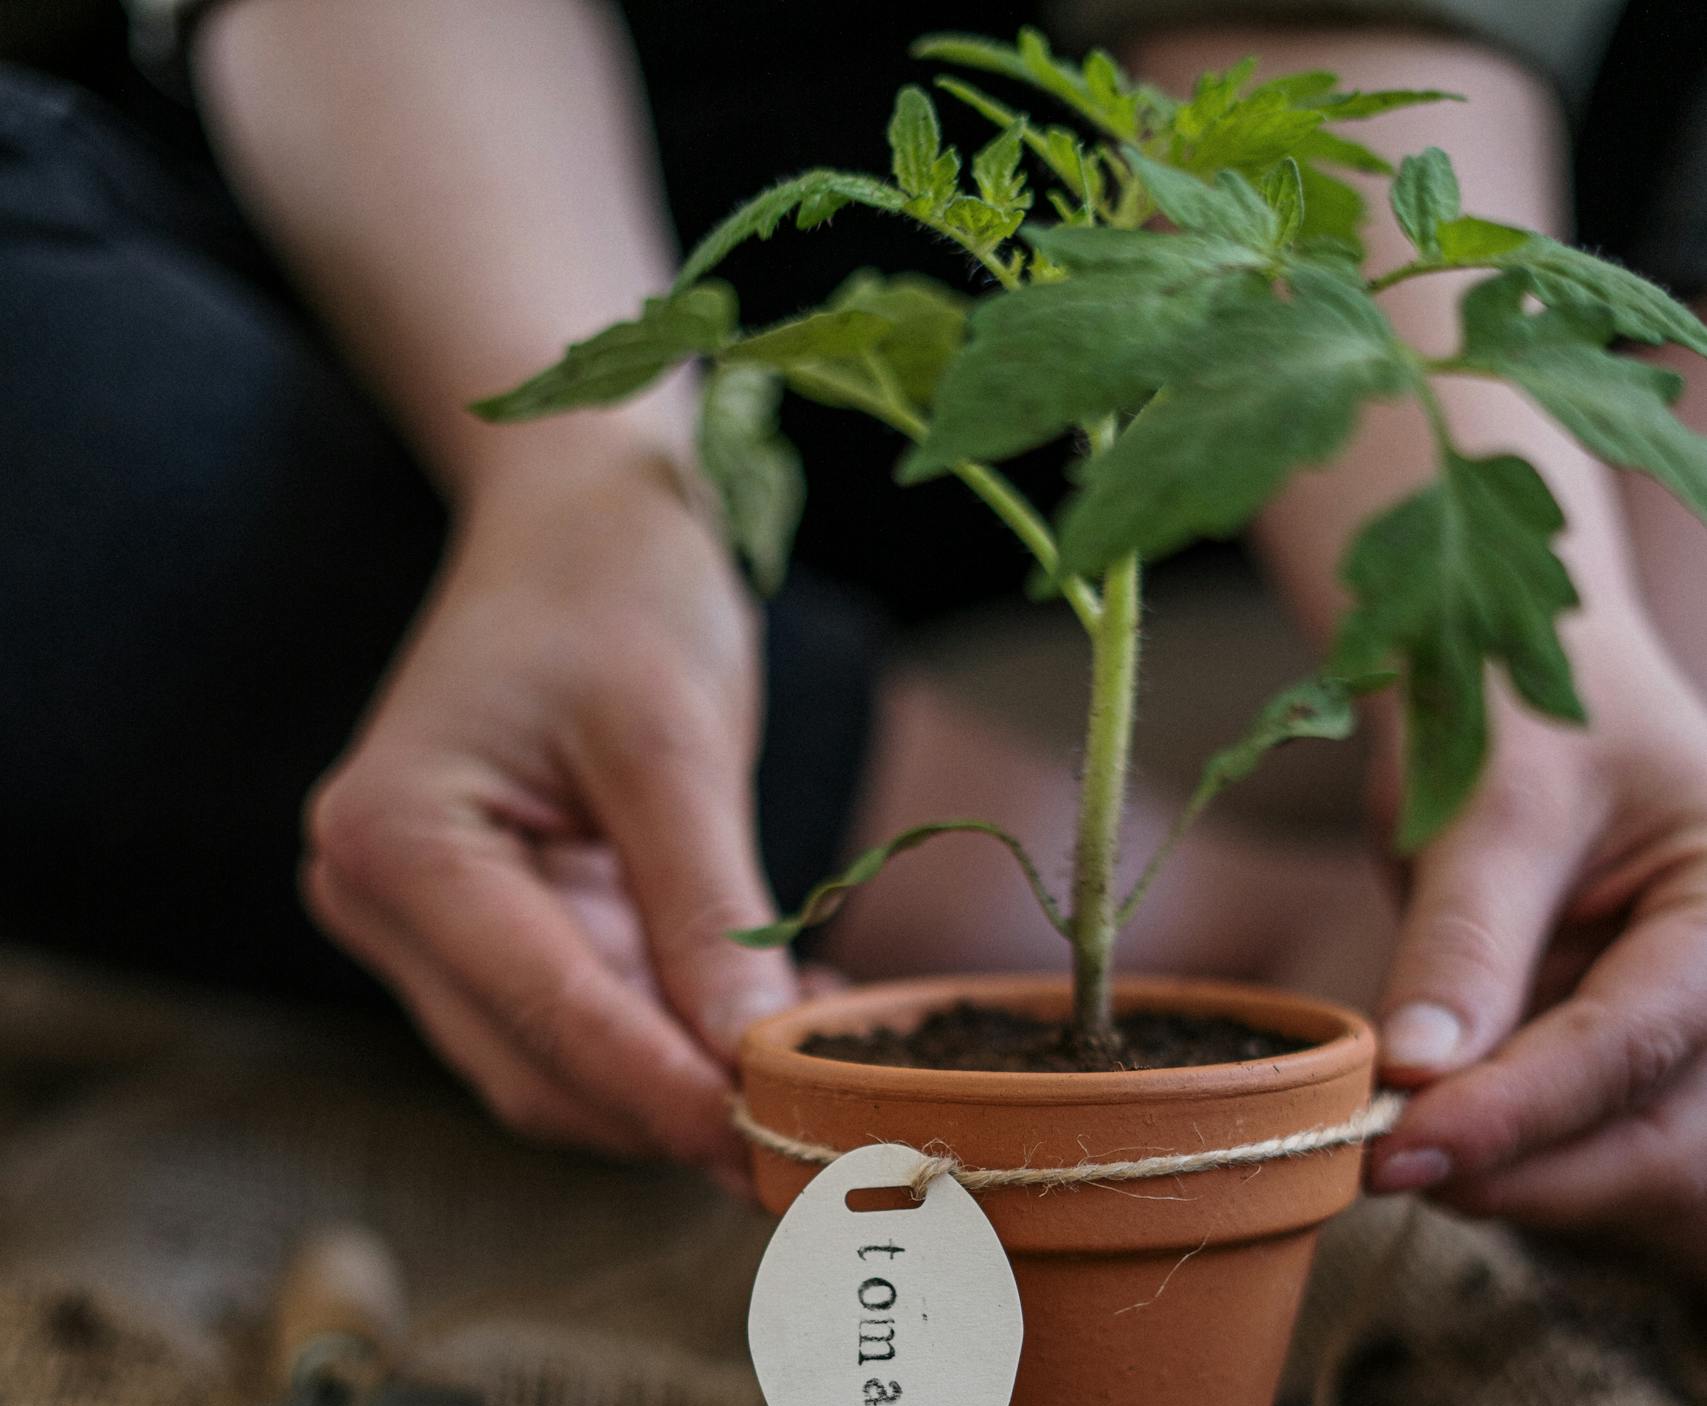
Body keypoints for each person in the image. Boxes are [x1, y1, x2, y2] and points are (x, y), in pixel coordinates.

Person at [5, 1, 1707, 1274]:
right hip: (488, 258)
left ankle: (1604, 828)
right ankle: (1243, 931)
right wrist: (589, 480)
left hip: (1348, 209)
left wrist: (1496, 631)